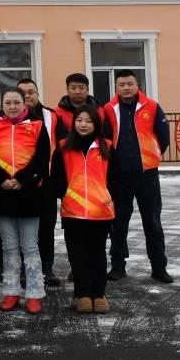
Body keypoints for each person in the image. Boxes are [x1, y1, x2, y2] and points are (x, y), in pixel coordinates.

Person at [103, 70, 174, 284]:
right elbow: (105, 138)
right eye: (122, 84)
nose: (126, 88)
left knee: (152, 222)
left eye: (130, 84)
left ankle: (158, 267)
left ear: (137, 85)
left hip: (146, 175)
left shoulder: (151, 107)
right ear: (116, 87)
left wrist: (151, 156)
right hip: (118, 177)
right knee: (118, 223)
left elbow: (163, 137)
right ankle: (118, 266)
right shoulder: (108, 109)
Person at [0, 88, 51, 315]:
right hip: (2, 194)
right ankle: (11, 290)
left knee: (30, 246)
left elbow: (43, 158)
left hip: (29, 193)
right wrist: (1, 180)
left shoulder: (37, 126)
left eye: (16, 102)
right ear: (1, 104)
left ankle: (34, 293)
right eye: (7, 102)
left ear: (25, 104)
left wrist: (23, 180)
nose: (12, 106)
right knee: (9, 246)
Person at [51, 107, 115, 314]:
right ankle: (83, 294)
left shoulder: (107, 147)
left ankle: (99, 293)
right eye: (79, 120)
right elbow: (56, 179)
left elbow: (116, 179)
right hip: (73, 212)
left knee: (97, 253)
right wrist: (66, 194)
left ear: (96, 124)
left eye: (88, 121)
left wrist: (107, 198)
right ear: (74, 123)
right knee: (77, 255)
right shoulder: (63, 147)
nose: (83, 124)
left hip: (100, 212)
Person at [17, 78, 64, 289]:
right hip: (20, 183)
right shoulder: (7, 117)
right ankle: (24, 268)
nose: (27, 96)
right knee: (22, 228)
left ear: (37, 94)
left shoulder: (51, 116)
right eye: (23, 92)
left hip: (47, 182)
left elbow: (62, 147)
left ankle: (47, 267)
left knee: (46, 227)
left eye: (31, 92)